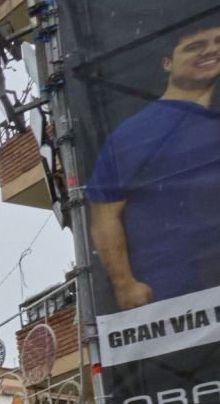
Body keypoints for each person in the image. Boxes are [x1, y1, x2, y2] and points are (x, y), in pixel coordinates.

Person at [86, 23, 220, 309]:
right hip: (177, 296)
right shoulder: (134, 133)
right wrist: (125, 285)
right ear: (167, 63)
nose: (211, 50)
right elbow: (104, 214)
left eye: (218, 42)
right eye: (195, 46)